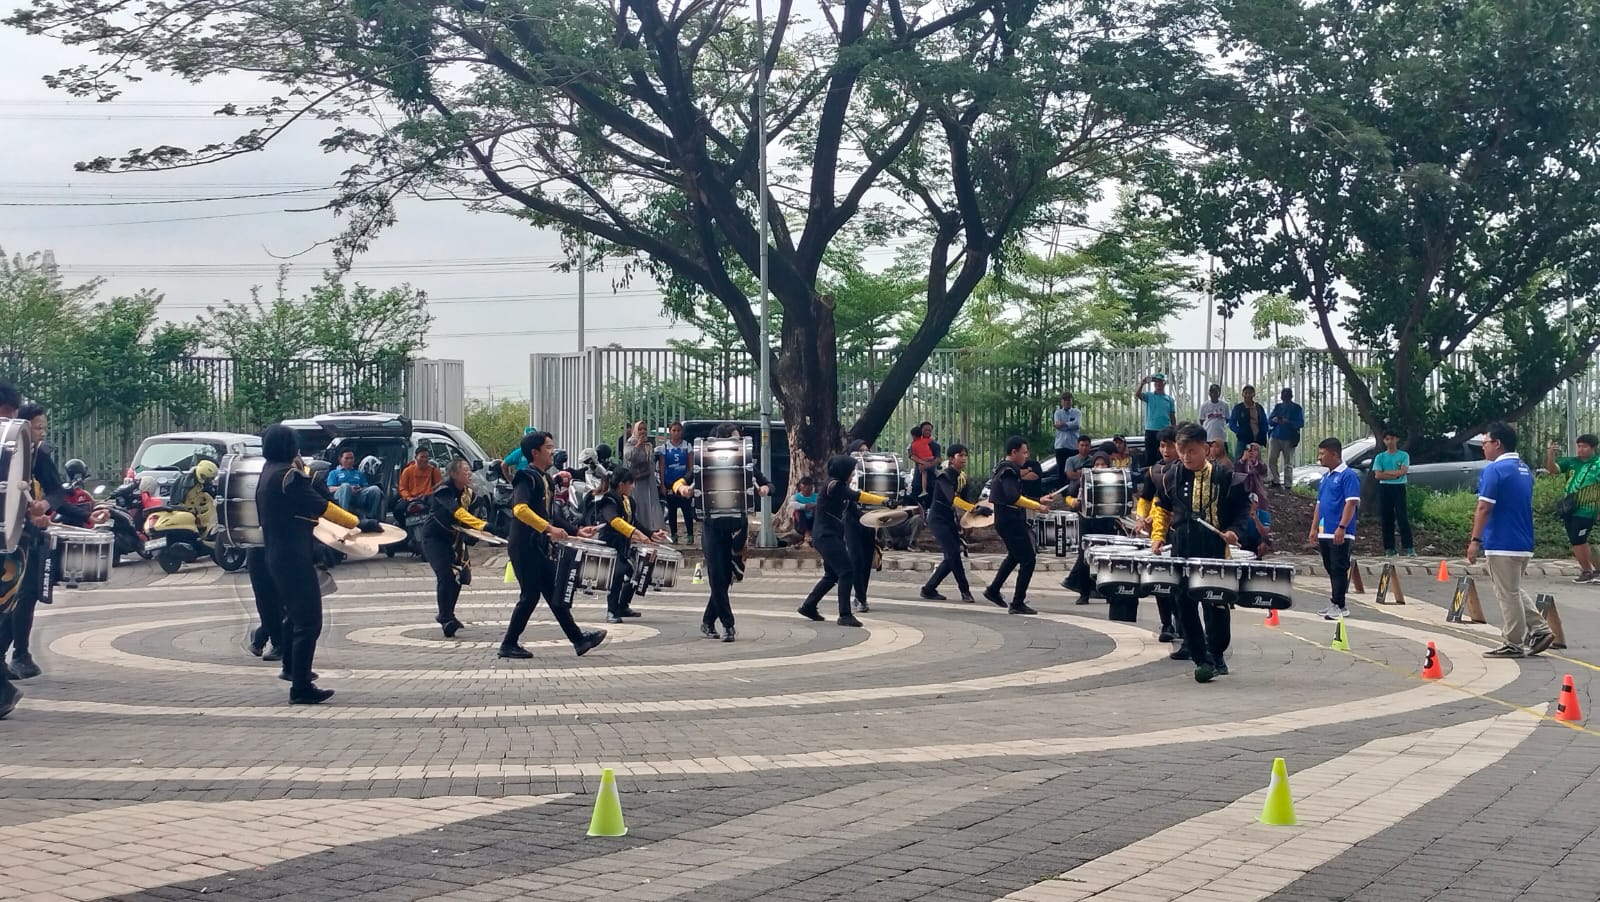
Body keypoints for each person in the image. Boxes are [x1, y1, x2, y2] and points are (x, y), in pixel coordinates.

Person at [256, 423, 372, 704]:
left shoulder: (267, 473)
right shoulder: (288, 477)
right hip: (293, 557)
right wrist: (358, 523)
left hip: (275, 554)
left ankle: (291, 670)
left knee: (295, 616)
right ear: (289, 447)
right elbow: (321, 506)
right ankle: (301, 686)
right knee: (309, 622)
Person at [1150, 424, 1250, 682]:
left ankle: (1216, 653)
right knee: (1184, 604)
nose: (1186, 456)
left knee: (1216, 602)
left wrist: (1234, 531)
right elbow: (1161, 508)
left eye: (1192, 451)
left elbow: (1242, 510)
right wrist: (1158, 536)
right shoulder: (1171, 476)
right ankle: (1201, 659)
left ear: (1205, 449)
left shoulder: (1224, 476)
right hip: (1182, 546)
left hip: (1214, 547)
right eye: (1182, 451)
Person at [499, 430, 608, 659]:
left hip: (537, 546)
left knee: (554, 592)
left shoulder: (545, 478)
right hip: (524, 546)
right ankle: (508, 644)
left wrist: (576, 530)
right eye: (548, 447)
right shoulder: (525, 477)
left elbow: (550, 515)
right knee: (530, 596)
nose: (553, 452)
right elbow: (520, 509)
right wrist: (548, 529)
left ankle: (579, 640)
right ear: (534, 452)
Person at [671, 423, 771, 641]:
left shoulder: (745, 465)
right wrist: (683, 489)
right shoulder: (704, 462)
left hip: (737, 528)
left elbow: (767, 484)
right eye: (734, 439)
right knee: (717, 576)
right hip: (712, 526)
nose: (738, 443)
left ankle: (708, 621)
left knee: (726, 578)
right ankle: (728, 625)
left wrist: (764, 489)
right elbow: (678, 482)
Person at [1469, 423, 1555, 657]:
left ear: (1497, 444)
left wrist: (1475, 540)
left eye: (1485, 443)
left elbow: (1484, 507)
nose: (1483, 448)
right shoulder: (1522, 468)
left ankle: (1513, 642)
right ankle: (1539, 629)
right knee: (1512, 589)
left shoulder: (1494, 470)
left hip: (1502, 540)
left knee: (1507, 594)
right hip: (1522, 540)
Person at [0, 397, 61, 689]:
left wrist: (42, 507)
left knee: (22, 596)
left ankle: (18, 655)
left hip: (21, 539)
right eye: (37, 428)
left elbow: (55, 490)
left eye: (41, 428)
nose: (41, 433)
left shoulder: (35, 454)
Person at [799, 455, 892, 627]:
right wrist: (883, 500)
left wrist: (882, 517)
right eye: (852, 471)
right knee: (846, 571)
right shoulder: (834, 485)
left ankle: (808, 606)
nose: (853, 475)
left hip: (830, 536)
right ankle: (844, 614)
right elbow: (857, 496)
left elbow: (859, 514)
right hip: (825, 536)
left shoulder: (839, 489)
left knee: (832, 575)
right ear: (844, 472)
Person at [983, 436, 1058, 614]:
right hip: (1010, 521)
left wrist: (1039, 499)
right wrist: (1037, 506)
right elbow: (1013, 497)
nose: (1026, 456)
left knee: (1015, 556)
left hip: (1007, 520)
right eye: (1024, 452)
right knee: (1028, 560)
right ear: (1014, 452)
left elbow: (1016, 495)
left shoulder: (1007, 469)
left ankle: (993, 590)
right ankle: (1017, 602)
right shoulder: (1008, 470)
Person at [422, 458, 488, 638]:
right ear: (453, 474)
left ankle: (448, 614)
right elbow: (457, 512)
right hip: (434, 538)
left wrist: (477, 531)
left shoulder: (468, 493)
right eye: (464, 470)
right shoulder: (443, 491)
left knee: (460, 576)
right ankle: (445, 617)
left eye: (469, 470)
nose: (469, 473)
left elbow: (478, 505)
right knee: (445, 574)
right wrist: (481, 525)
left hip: (455, 538)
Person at [596, 467, 668, 624]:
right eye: (631, 483)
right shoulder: (609, 500)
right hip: (610, 545)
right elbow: (615, 521)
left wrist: (651, 533)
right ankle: (612, 610)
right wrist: (636, 534)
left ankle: (623, 605)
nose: (633, 487)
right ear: (621, 484)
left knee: (640, 571)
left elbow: (633, 522)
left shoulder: (629, 502)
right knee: (619, 573)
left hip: (623, 546)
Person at [1135, 426, 1182, 642]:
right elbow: (1145, 499)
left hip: (1180, 532)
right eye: (1162, 445)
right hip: (1159, 535)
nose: (1165, 450)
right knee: (1161, 579)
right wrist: (1141, 517)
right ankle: (1166, 624)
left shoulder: (1184, 470)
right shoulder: (1154, 471)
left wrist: (1158, 515)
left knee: (1181, 582)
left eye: (1170, 445)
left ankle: (1182, 623)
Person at [1307, 437, 1362, 621]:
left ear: (1334, 454)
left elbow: (1351, 503)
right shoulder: (1326, 478)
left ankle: (1340, 605)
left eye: (1323, 453)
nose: (1320, 457)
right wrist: (1314, 528)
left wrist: (1342, 527)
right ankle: (1335, 602)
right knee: (1330, 567)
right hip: (1325, 530)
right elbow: (1319, 504)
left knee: (1339, 568)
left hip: (1340, 532)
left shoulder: (1348, 475)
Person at [921, 444, 980, 602]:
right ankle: (965, 591)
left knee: (952, 555)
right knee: (953, 553)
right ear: (951, 458)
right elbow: (952, 499)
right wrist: (975, 509)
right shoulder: (944, 476)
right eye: (960, 455)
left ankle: (929, 589)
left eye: (965, 455)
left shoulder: (963, 478)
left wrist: (970, 521)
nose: (964, 458)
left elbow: (965, 502)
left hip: (949, 519)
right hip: (937, 519)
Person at [1545, 435, 1600, 583]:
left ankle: (1588, 571)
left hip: (1587, 509)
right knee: (1576, 539)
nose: (1580, 449)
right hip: (1570, 508)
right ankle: (1593, 570)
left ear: (1593, 448)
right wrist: (1550, 454)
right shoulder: (1571, 462)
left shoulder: (1598, 464)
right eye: (1579, 446)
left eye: (1584, 447)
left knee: (1578, 539)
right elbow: (1553, 470)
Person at [1373, 428, 1415, 557]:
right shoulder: (1380, 457)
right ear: (1384, 441)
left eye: (1392, 438)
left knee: (1402, 517)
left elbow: (1403, 472)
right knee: (1387, 518)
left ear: (1397, 439)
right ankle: (1389, 548)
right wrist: (1394, 474)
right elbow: (1378, 475)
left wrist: (1389, 473)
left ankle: (1409, 547)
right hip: (1385, 488)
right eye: (1387, 439)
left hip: (1399, 487)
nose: (1390, 441)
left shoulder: (1403, 455)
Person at [624, 421, 666, 534]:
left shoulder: (649, 445)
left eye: (644, 429)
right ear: (635, 431)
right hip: (637, 481)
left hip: (649, 479)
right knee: (639, 503)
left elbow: (651, 461)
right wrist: (638, 445)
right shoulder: (630, 443)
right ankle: (639, 529)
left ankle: (652, 528)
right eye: (640, 429)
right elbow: (629, 457)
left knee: (651, 502)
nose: (643, 431)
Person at [659, 422, 695, 545]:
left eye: (679, 430)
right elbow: (662, 467)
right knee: (672, 512)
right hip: (670, 484)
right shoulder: (665, 447)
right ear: (670, 431)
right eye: (674, 430)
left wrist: (690, 484)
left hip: (683, 485)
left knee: (687, 511)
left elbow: (691, 467)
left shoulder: (687, 446)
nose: (676, 433)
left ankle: (690, 535)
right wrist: (663, 485)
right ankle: (674, 535)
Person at [325, 449, 384, 521]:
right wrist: (347, 488)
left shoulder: (359, 473)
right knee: (346, 486)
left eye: (351, 458)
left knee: (375, 489)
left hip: (357, 495)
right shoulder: (334, 473)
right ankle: (344, 517)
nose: (349, 461)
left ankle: (371, 517)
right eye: (347, 458)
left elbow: (365, 487)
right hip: (341, 495)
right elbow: (329, 489)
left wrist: (359, 488)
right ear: (340, 459)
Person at [1134, 373, 1177, 467]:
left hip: (1164, 430)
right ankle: (1149, 473)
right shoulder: (1149, 395)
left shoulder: (1169, 399)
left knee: (1162, 454)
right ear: (1154, 384)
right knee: (1150, 454)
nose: (1158, 384)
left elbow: (1172, 415)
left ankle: (1163, 472)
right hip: (1151, 429)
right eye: (1156, 382)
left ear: (1164, 384)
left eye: (1160, 382)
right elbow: (1137, 394)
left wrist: (1174, 429)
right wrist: (1142, 383)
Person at [1267, 388, 1304, 488]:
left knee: (1288, 462)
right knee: (1271, 459)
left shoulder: (1297, 408)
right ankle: (1275, 480)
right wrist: (1275, 420)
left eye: (1287, 395)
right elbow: (1269, 420)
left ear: (1291, 396)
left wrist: (1288, 422)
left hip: (1289, 437)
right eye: (1284, 395)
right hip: (1275, 436)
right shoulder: (1278, 407)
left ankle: (1288, 484)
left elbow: (1300, 423)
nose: (1285, 397)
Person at [1228, 385, 1269, 461]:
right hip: (1243, 439)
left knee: (1257, 461)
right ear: (1242, 394)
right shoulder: (1238, 408)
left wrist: (1263, 432)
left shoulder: (1259, 408)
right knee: (1239, 459)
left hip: (1257, 439)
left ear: (1254, 394)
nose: (1248, 395)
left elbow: (1264, 422)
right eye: (1246, 393)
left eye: (1250, 393)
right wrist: (1239, 431)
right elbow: (1232, 423)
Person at [398, 446, 443, 511]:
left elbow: (440, 487)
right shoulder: (407, 471)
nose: (425, 459)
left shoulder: (434, 471)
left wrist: (429, 494)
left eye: (426, 457)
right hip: (411, 498)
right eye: (422, 457)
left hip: (428, 498)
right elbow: (402, 487)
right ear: (416, 457)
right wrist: (408, 497)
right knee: (398, 510)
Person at [1052, 392, 1083, 474]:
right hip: (1061, 446)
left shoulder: (1077, 412)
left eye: (1068, 400)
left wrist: (1064, 424)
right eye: (1065, 400)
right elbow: (1058, 426)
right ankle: (1062, 486)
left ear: (1072, 401)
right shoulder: (1058, 413)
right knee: (1061, 471)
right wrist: (1069, 425)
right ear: (1062, 402)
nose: (1067, 402)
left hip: (1073, 446)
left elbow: (1077, 425)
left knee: (1074, 470)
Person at [909, 423, 937, 507]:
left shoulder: (933, 443)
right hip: (918, 479)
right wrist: (923, 461)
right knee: (915, 503)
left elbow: (937, 458)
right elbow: (911, 456)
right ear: (921, 431)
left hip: (931, 480)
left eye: (930, 430)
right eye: (926, 430)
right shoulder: (913, 444)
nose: (928, 432)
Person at [1199, 384, 1229, 457]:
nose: (1214, 394)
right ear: (1209, 393)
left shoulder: (1225, 405)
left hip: (1221, 437)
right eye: (1212, 392)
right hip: (1208, 437)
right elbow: (1201, 420)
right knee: (1208, 457)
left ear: (1219, 393)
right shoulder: (1204, 405)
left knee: (1222, 457)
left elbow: (1227, 419)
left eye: (1216, 392)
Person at [791, 476, 817, 544]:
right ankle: (806, 533)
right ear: (801, 487)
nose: (806, 489)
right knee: (798, 512)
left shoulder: (817, 496)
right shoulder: (796, 497)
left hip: (813, 520)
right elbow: (792, 504)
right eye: (804, 487)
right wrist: (805, 506)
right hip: (800, 524)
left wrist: (813, 506)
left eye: (808, 487)